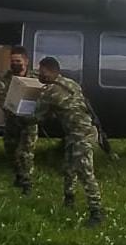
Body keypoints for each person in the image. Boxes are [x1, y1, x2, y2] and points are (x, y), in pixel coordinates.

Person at [31, 57, 104, 227]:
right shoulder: (71, 83)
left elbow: (37, 116)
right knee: (69, 167)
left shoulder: (50, 91)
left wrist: (18, 115)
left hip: (80, 134)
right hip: (82, 131)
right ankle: (69, 199)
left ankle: (96, 212)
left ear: (50, 71)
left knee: (85, 172)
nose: (40, 75)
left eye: (42, 72)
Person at [0, 46, 39, 195]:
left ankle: (27, 183)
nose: (15, 64)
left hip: (29, 122)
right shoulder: (3, 79)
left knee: (25, 153)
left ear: (26, 61)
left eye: (18, 61)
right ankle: (19, 175)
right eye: (13, 61)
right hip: (12, 121)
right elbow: (3, 101)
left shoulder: (36, 78)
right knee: (10, 149)